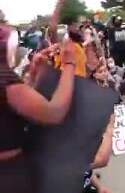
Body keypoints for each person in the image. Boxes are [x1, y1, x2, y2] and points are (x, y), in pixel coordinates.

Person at [0, 26, 76, 193]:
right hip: (10, 174)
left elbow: (18, 106)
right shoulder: (5, 80)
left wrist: (35, 75)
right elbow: (54, 112)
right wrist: (70, 64)